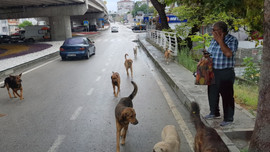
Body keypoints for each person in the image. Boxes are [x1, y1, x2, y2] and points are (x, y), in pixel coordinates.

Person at [204, 21, 239, 127]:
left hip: (225, 72)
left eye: (214, 30)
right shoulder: (213, 41)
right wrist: (206, 55)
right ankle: (214, 112)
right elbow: (211, 52)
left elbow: (228, 53)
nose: (212, 32)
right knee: (212, 93)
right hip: (213, 70)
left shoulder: (232, 40)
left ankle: (228, 118)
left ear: (220, 31)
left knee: (227, 95)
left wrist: (220, 41)